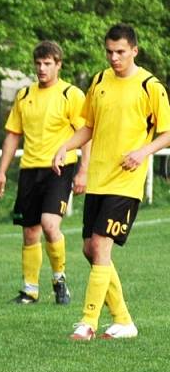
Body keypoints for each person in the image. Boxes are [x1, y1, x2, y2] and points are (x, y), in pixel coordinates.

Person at [52, 23, 170, 341]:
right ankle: (123, 321)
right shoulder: (100, 80)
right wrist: (65, 146)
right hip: (99, 179)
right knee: (91, 249)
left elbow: (167, 131)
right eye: (109, 51)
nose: (114, 58)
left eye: (120, 52)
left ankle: (87, 322)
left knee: (101, 245)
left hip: (127, 181)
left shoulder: (150, 85)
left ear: (134, 50)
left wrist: (143, 151)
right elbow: (88, 126)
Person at [0, 41, 89, 305]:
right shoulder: (24, 96)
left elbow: (86, 135)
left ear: (58, 64)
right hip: (29, 170)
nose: (42, 68)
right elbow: (13, 136)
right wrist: (1, 172)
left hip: (60, 168)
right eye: (38, 63)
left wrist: (84, 170)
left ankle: (59, 281)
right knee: (29, 232)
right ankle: (30, 290)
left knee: (49, 224)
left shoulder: (71, 95)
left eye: (48, 63)